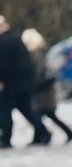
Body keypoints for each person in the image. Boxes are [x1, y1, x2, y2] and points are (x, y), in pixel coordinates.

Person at [0, 14, 50, 148]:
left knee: (4, 112)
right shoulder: (16, 38)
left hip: (10, 84)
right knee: (26, 110)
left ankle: (6, 138)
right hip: (24, 83)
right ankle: (43, 132)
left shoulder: (4, 42)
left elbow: (3, 64)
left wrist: (2, 80)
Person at [21, 29, 72, 142]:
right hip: (45, 89)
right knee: (44, 114)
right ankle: (41, 136)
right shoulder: (41, 52)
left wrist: (33, 85)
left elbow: (39, 72)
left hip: (43, 90)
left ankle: (45, 136)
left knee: (42, 114)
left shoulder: (36, 54)